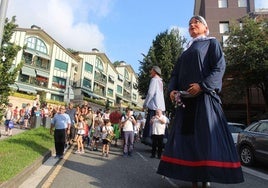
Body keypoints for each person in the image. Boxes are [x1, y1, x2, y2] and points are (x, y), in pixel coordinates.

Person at [157, 15, 244, 188]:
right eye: (189, 24)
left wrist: (202, 86)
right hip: (186, 103)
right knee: (189, 140)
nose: (192, 25)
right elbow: (175, 74)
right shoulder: (185, 51)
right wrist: (172, 90)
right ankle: (193, 178)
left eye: (196, 22)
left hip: (204, 99)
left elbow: (219, 67)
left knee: (205, 139)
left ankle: (206, 178)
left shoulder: (212, 44)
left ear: (205, 28)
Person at [142, 66, 166, 145]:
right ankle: (162, 142)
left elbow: (150, 93)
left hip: (154, 107)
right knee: (161, 127)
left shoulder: (154, 80)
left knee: (152, 127)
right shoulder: (160, 81)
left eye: (151, 70)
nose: (150, 71)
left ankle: (152, 142)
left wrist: (145, 104)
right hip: (161, 107)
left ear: (155, 71)